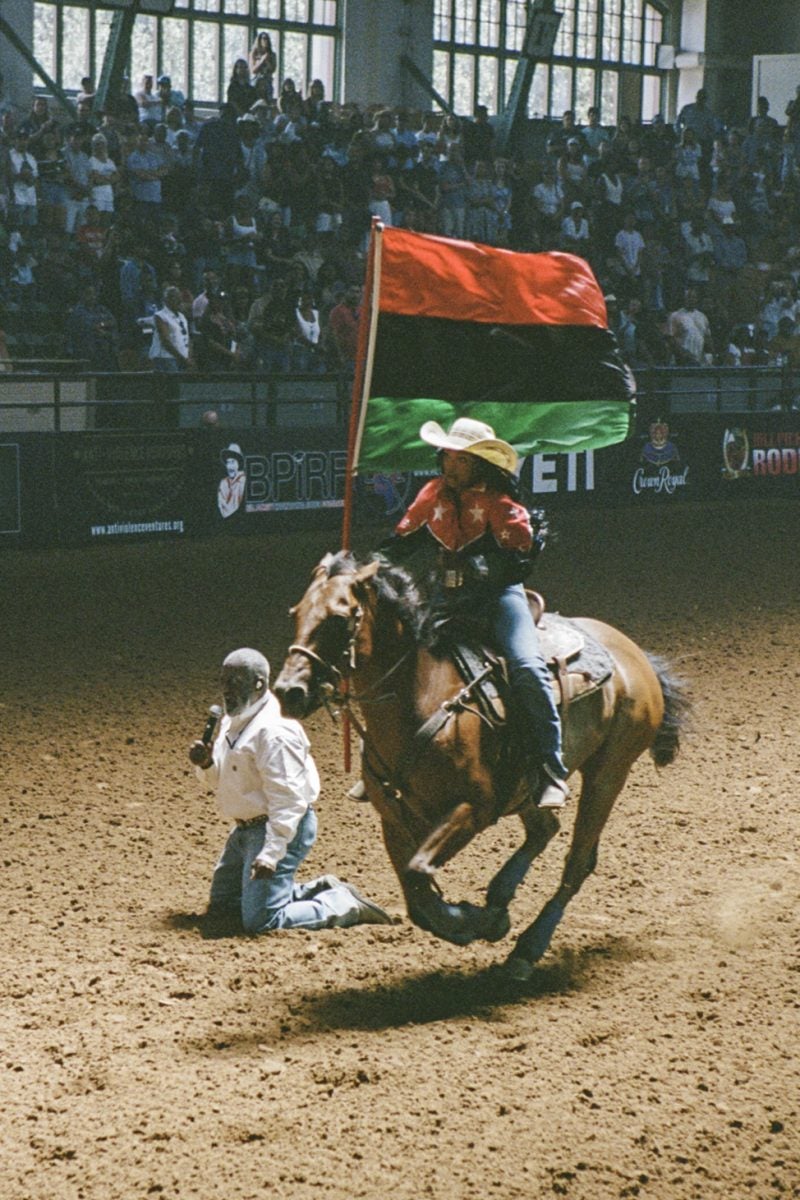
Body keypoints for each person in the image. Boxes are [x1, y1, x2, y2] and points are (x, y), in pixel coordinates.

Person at [379, 418, 569, 809]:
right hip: (447, 598)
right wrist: (366, 564)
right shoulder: (431, 496)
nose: (451, 466)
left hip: (499, 599)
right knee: (399, 659)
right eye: (448, 457)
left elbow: (520, 560)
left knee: (528, 668)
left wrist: (485, 569)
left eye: (461, 460)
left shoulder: (500, 503)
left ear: (479, 464)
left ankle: (551, 768)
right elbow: (401, 544)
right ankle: (386, 763)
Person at [189, 647, 394, 933]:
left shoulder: (275, 733)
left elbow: (289, 801)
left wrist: (271, 853)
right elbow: (220, 781)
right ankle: (314, 888)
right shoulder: (232, 720)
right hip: (245, 831)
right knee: (225, 907)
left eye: (234, 682)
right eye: (223, 681)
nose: (225, 690)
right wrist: (208, 764)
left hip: (280, 826)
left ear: (258, 683)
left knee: (261, 921)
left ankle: (341, 903)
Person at [148, 284, 190, 371]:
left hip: (182, 358)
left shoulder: (182, 316)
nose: (179, 300)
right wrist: (181, 358)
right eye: (174, 297)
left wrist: (188, 356)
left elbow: (186, 337)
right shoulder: (160, 316)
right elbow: (165, 341)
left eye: (179, 297)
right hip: (165, 358)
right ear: (166, 300)